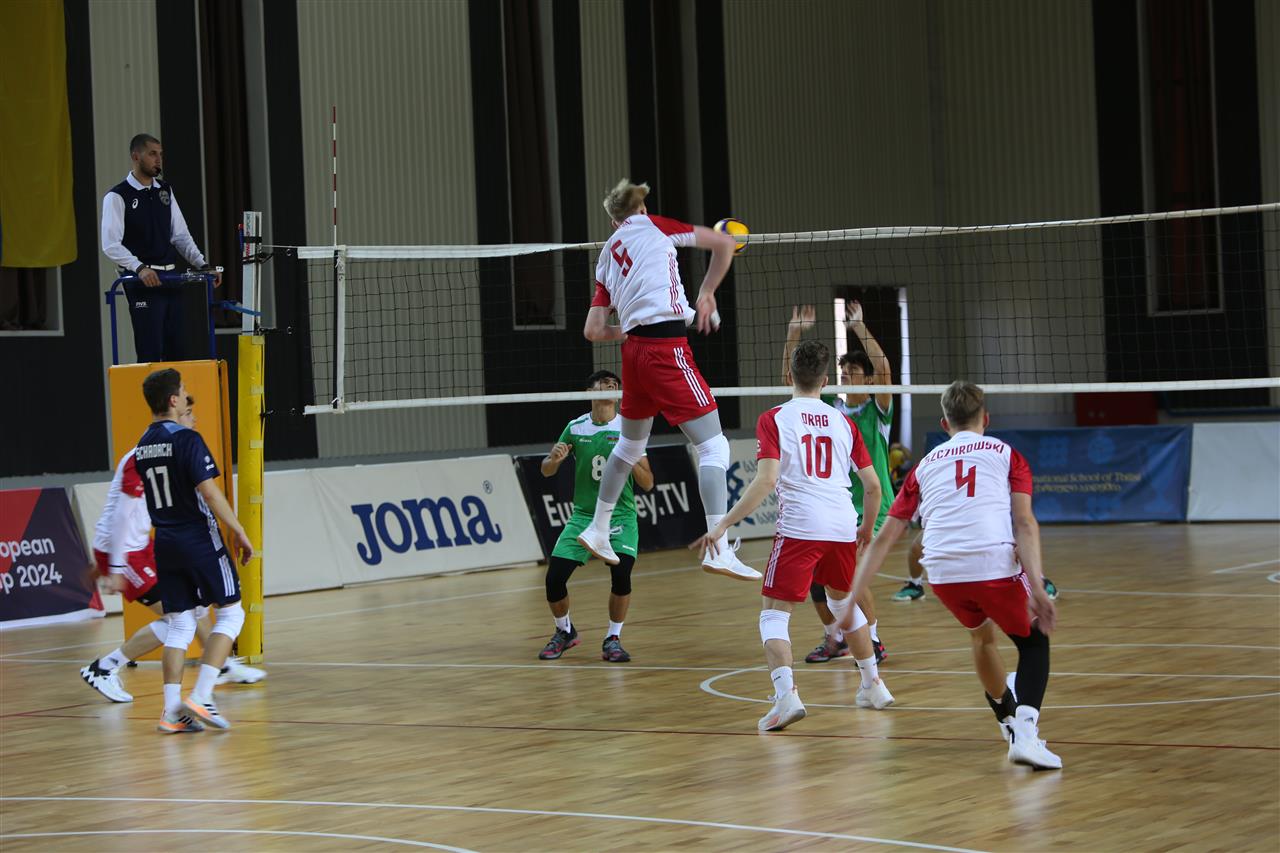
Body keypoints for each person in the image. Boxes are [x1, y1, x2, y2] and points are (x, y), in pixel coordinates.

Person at [844, 381, 1061, 769]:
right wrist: (1038, 586)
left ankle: (1007, 718)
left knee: (981, 636)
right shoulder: (1007, 455)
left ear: (944, 424)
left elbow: (886, 537)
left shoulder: (924, 465)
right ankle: (1026, 735)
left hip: (942, 572)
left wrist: (852, 596)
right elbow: (1025, 522)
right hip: (991, 563)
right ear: (986, 419)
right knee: (1033, 643)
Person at [693, 339, 894, 731]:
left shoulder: (774, 418)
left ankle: (786, 698)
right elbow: (873, 487)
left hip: (800, 526)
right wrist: (866, 529)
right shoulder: (844, 422)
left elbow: (766, 481)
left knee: (773, 614)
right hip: (841, 524)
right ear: (826, 381)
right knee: (843, 604)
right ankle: (873, 684)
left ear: (789, 377)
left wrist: (722, 524)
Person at [579, 179, 759, 582]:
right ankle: (719, 548)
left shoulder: (607, 255)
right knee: (714, 446)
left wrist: (632, 328)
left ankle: (597, 529)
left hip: (634, 354)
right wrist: (707, 292)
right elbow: (723, 243)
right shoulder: (654, 225)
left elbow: (593, 330)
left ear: (613, 221)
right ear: (642, 209)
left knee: (629, 446)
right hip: (666, 351)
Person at [79, 395, 264, 704]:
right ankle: (104, 667)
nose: (193, 419)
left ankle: (221, 665)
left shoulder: (173, 448)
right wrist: (113, 566)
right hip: (125, 552)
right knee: (177, 618)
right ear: (175, 411)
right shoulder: (142, 455)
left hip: (140, 545)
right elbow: (122, 514)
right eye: (188, 413)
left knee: (194, 609)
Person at [128, 368, 253, 733]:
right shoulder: (187, 438)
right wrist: (238, 530)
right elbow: (209, 493)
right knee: (231, 614)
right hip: (198, 538)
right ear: (173, 400)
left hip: (165, 542)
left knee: (180, 624)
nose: (186, 396)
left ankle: (171, 712)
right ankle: (202, 696)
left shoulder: (141, 445)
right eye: (182, 391)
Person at [781, 303, 891, 662]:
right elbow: (793, 381)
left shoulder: (877, 410)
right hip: (835, 506)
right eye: (842, 370)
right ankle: (835, 638)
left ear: (868, 380)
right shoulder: (830, 409)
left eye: (853, 370)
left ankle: (872, 640)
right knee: (819, 580)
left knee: (851, 577)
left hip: (873, 505)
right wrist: (794, 334)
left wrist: (858, 326)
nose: (846, 375)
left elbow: (885, 370)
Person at [537, 370, 655, 662]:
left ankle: (613, 638)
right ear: (589, 392)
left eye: (615, 385)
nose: (611, 387)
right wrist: (553, 460)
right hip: (584, 516)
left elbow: (648, 483)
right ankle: (565, 631)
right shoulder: (576, 427)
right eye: (604, 384)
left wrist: (628, 455)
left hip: (621, 516)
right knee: (554, 579)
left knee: (621, 575)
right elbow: (546, 470)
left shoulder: (629, 428)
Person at [100, 133, 221, 363]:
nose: (158, 160)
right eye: (152, 154)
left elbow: (181, 235)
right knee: (150, 349)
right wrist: (139, 268)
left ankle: (174, 388)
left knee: (178, 350)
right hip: (142, 282)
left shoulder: (165, 190)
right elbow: (110, 244)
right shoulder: (117, 196)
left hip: (170, 279)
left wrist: (203, 265)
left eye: (161, 154)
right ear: (136, 157)